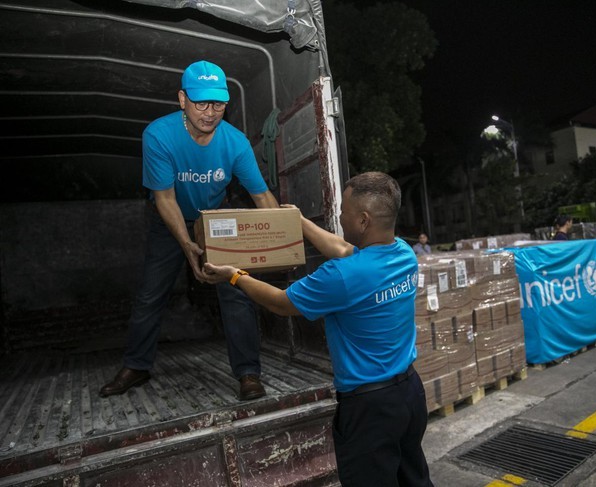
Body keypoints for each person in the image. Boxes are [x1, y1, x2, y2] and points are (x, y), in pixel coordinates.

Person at [202, 172, 433, 487]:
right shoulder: (404, 254)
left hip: (370, 409)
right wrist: (298, 220)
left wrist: (235, 276)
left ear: (363, 220)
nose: (338, 215)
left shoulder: (341, 277)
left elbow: (281, 303)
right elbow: (341, 247)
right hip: (408, 393)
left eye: (344, 211)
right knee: (414, 479)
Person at [100, 60, 279, 401]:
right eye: (201, 103)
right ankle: (137, 365)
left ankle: (248, 373)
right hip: (169, 220)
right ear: (182, 99)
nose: (210, 113)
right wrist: (186, 244)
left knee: (236, 289)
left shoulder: (236, 143)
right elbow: (164, 198)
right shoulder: (158, 135)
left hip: (215, 220)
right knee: (151, 293)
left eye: (218, 104)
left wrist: (279, 238)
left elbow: (262, 196)